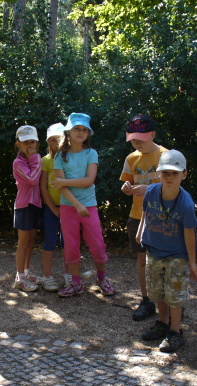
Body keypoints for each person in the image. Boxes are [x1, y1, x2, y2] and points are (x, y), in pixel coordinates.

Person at [136, 149, 197, 353]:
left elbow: (190, 233)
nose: (169, 177)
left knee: (175, 294)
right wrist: (140, 230)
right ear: (159, 173)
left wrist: (192, 262)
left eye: (174, 173)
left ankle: (175, 331)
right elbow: (145, 210)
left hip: (176, 256)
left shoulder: (186, 204)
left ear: (184, 175)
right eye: (165, 172)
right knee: (157, 291)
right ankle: (163, 323)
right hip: (154, 250)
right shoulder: (151, 191)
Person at [53, 113, 116, 297]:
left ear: (88, 133)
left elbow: (89, 181)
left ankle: (102, 278)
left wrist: (64, 182)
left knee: (97, 244)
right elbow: (60, 187)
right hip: (69, 207)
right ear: (68, 131)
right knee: (71, 246)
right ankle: (75, 283)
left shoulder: (91, 153)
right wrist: (77, 205)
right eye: (77, 129)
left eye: (84, 129)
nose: (80, 132)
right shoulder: (60, 156)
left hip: (89, 206)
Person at [120, 114, 168, 321]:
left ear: (153, 135)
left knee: (164, 261)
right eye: (133, 140)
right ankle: (146, 300)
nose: (137, 143)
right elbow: (129, 183)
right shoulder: (131, 158)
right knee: (142, 260)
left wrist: (147, 189)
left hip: (162, 217)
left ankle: (170, 302)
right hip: (137, 215)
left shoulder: (166, 156)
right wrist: (127, 188)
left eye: (141, 138)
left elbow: (172, 187)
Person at [39, 123, 72, 292]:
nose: (56, 143)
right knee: (50, 240)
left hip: (68, 206)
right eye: (53, 140)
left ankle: (69, 275)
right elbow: (43, 187)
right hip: (51, 207)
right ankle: (48, 276)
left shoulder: (71, 158)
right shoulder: (45, 160)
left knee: (68, 242)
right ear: (48, 142)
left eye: (59, 139)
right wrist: (53, 208)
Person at [13, 125, 43, 292]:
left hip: (35, 205)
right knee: (23, 243)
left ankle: (26, 272)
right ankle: (19, 278)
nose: (29, 146)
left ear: (37, 143)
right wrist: (34, 158)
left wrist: (34, 159)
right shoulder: (18, 163)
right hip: (23, 206)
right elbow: (33, 179)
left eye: (32, 142)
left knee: (31, 242)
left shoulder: (35, 160)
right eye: (25, 142)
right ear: (19, 144)